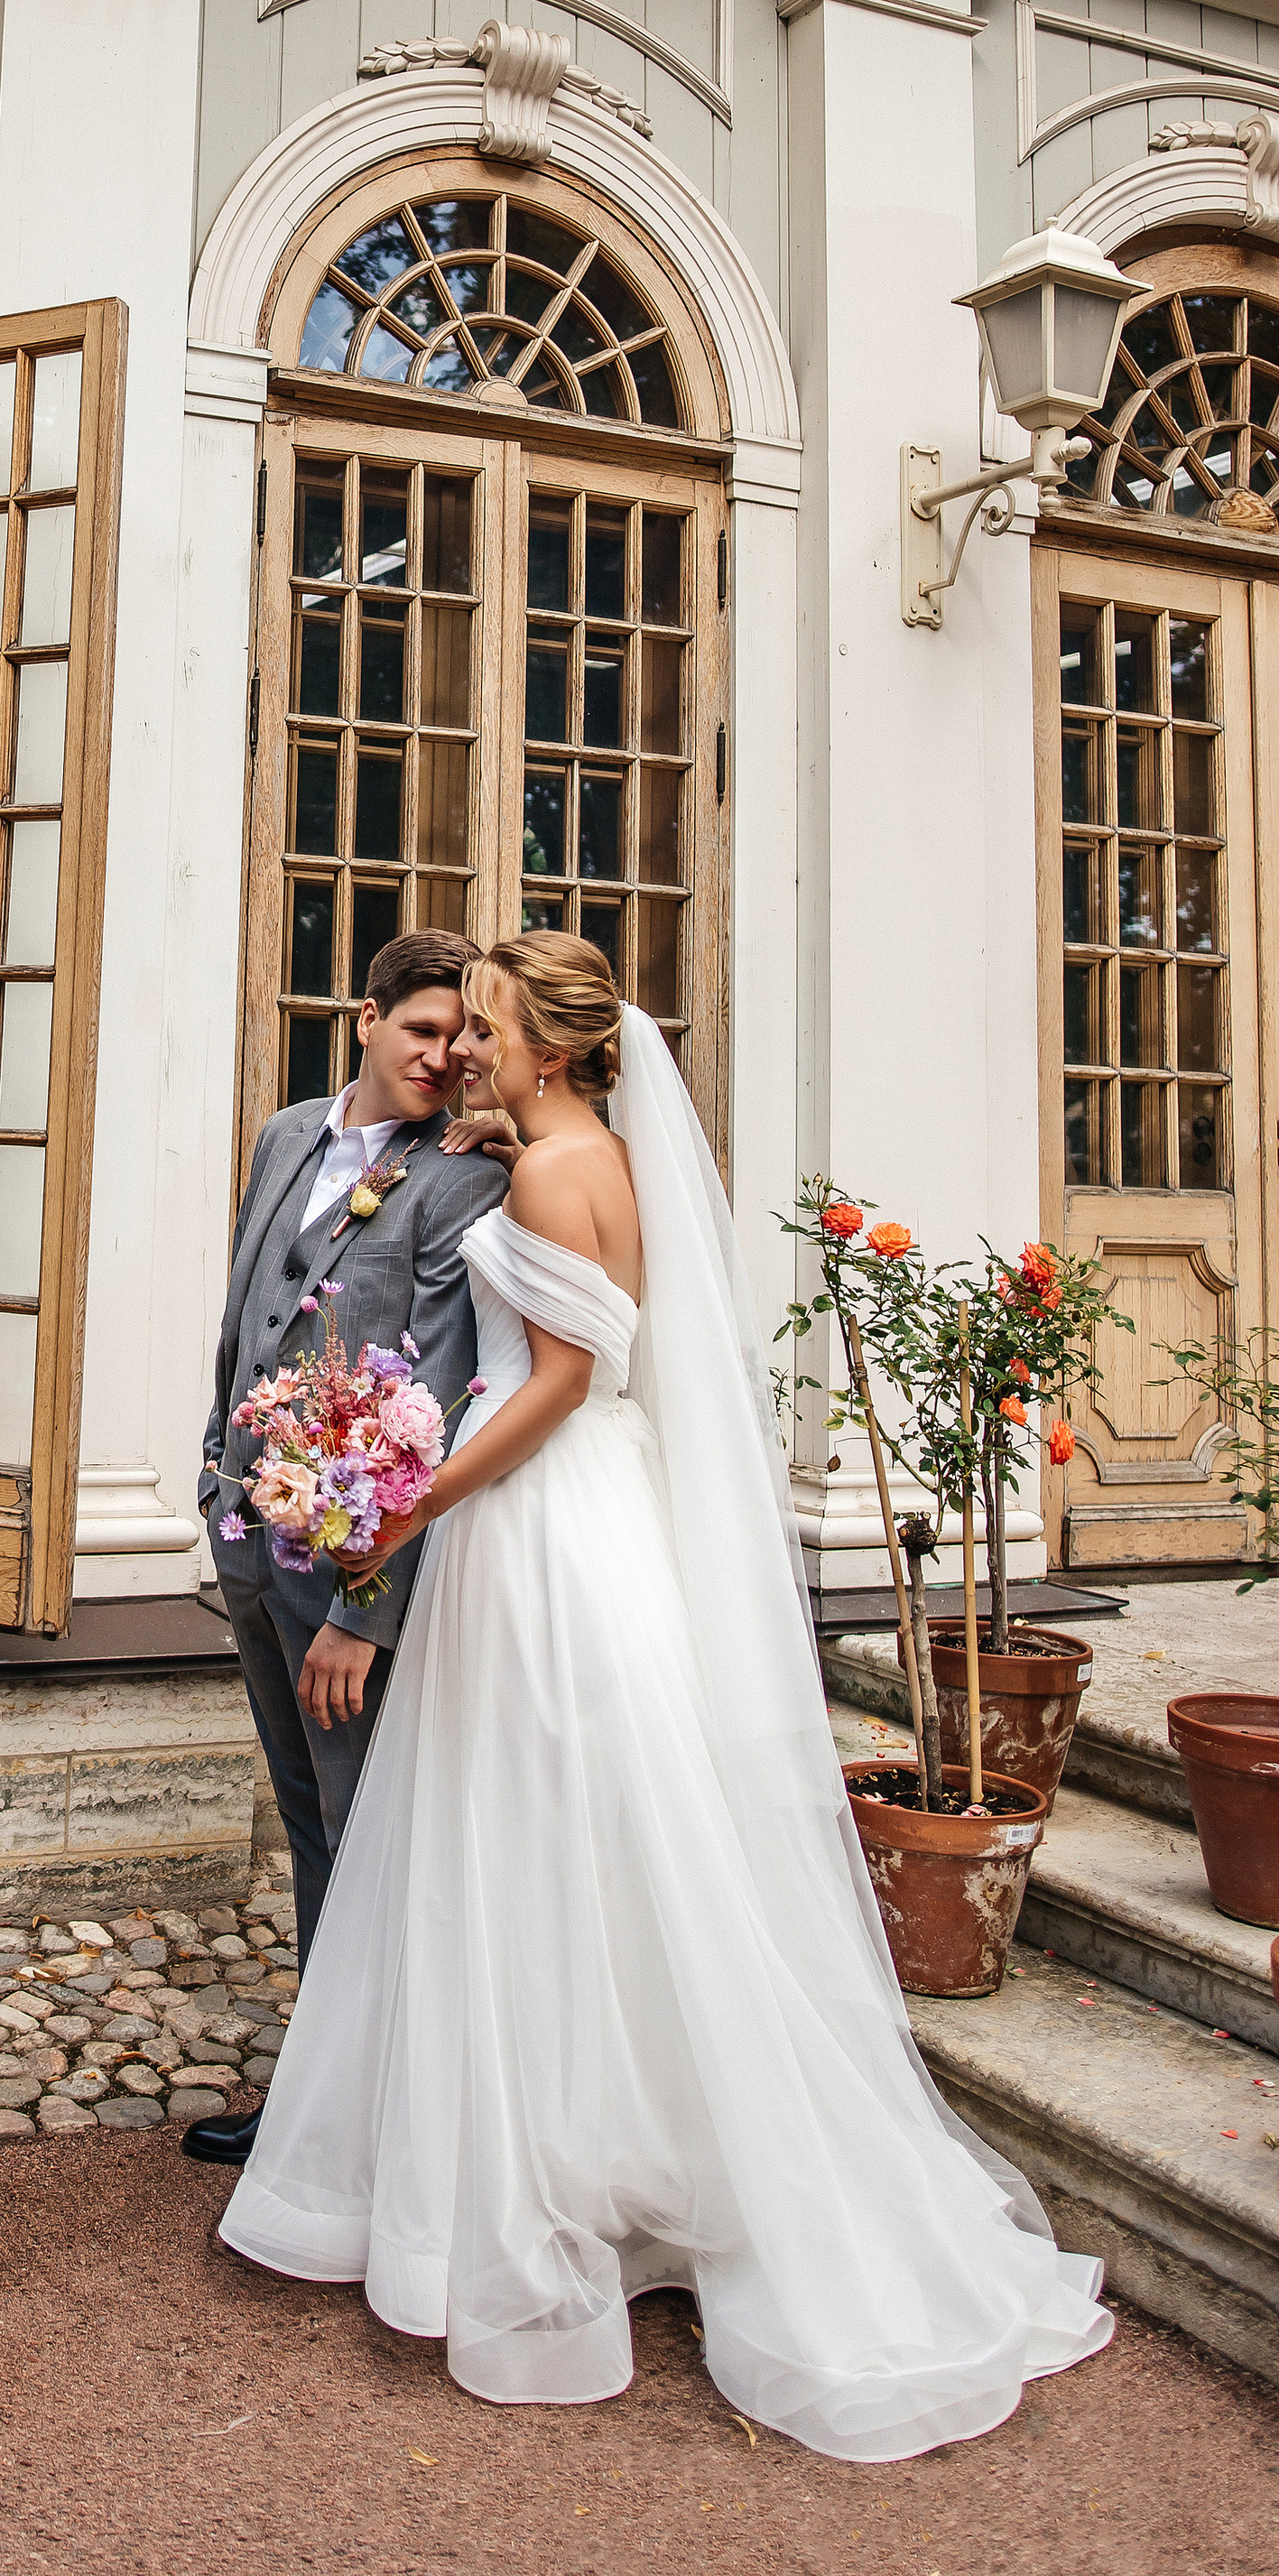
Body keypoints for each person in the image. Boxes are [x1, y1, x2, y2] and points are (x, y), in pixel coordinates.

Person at [216, 931, 1112, 2461]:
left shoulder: (553, 1176)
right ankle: (567, 2138)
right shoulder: (565, 1153)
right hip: (562, 1514)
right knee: (541, 1833)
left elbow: (563, 1379)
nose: (466, 1051)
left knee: (548, 1823)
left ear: (550, 1047)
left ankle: (546, 2174)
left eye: (487, 1026)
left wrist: (410, 1506)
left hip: (544, 1522)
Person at [188, 928, 509, 2172]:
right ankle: (329, 2096)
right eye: (421, 1029)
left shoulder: (458, 1181)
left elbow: (439, 1396)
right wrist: (213, 1474)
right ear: (365, 1020)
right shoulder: (284, 1135)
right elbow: (245, 1318)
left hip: (349, 1575)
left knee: (366, 1832)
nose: (441, 1056)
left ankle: (365, 2124)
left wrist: (363, 1610)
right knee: (307, 1821)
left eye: (459, 1038)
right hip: (250, 1542)